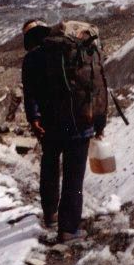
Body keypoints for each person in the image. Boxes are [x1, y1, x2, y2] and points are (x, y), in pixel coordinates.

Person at [21, 20, 107, 242]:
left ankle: (51, 214)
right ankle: (69, 228)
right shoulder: (76, 52)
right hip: (80, 123)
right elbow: (96, 89)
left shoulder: (32, 58)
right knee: (73, 178)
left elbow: (30, 93)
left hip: (50, 125)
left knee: (49, 166)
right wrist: (99, 124)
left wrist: (34, 118)